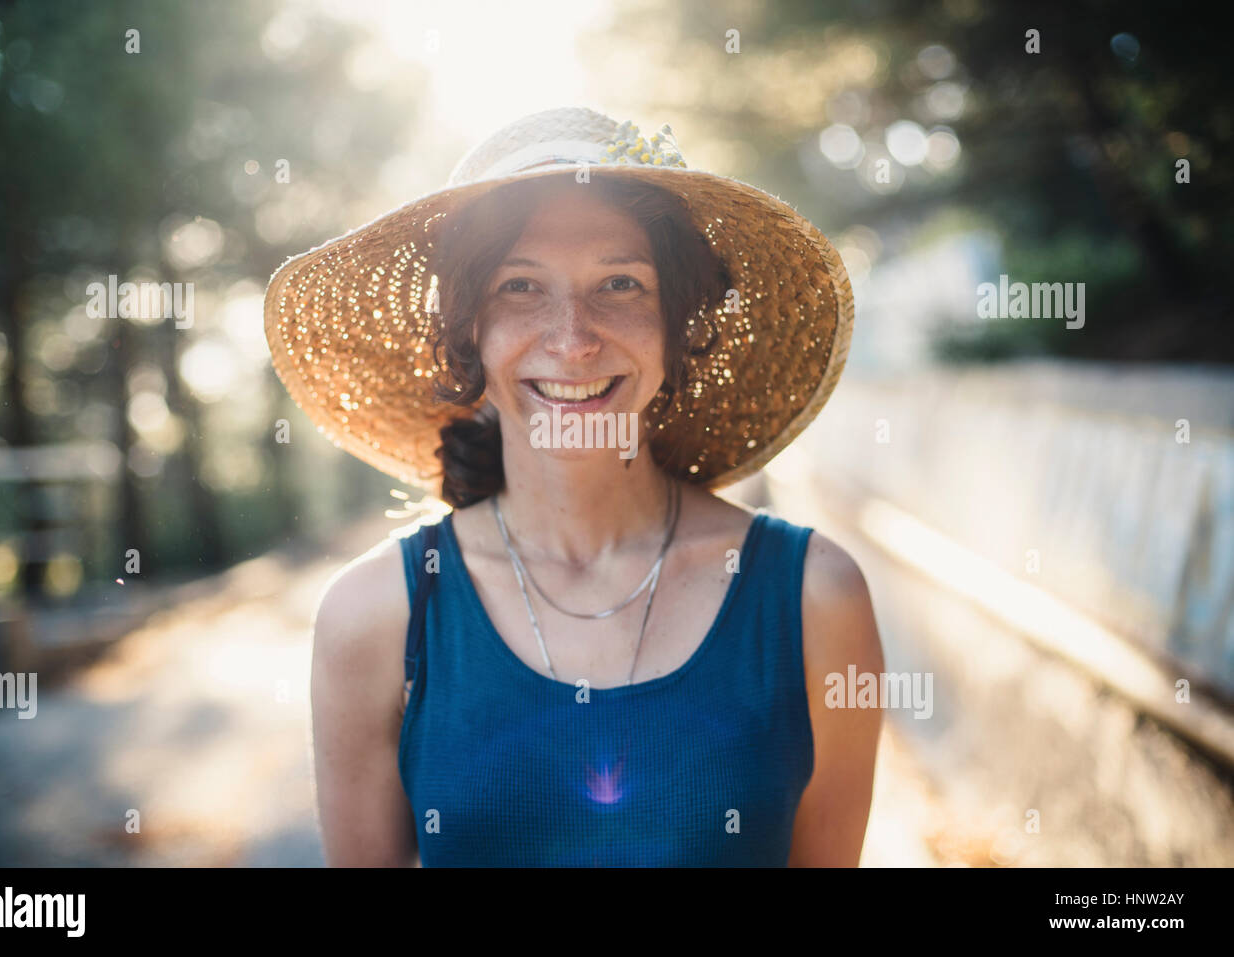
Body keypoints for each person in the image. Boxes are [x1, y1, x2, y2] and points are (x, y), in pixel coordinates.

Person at [265, 107, 884, 866]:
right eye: (520, 285)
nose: (572, 337)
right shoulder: (379, 616)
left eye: (621, 282)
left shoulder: (815, 599)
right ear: (470, 332)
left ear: (679, 323)